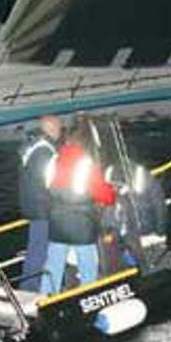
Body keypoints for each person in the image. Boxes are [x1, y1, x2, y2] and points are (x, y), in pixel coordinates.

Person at [41, 126, 117, 295]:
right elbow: (103, 194)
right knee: (87, 263)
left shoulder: (53, 160)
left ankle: (45, 296)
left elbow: (46, 187)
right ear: (85, 143)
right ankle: (88, 295)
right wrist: (112, 194)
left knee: (53, 263)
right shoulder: (86, 164)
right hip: (82, 222)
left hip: (57, 219)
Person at [17, 115, 61, 292]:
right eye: (58, 127)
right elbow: (49, 182)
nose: (60, 131)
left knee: (36, 247)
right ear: (50, 128)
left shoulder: (33, 147)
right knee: (40, 250)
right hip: (43, 208)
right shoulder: (45, 152)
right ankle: (31, 288)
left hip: (32, 205)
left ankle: (31, 284)